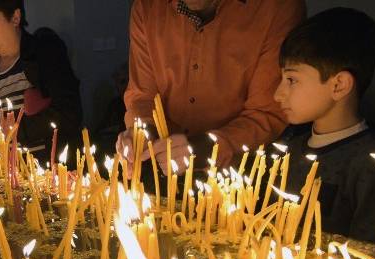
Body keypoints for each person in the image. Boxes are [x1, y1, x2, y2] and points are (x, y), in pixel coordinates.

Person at [117, 0, 304, 175]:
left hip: (242, 174)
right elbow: (142, 97)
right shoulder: (148, 7)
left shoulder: (275, 8)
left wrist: (211, 148)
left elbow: (267, 112)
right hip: (161, 172)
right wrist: (143, 132)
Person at [273, 7, 375, 243]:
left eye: (291, 80)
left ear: (339, 85)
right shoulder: (289, 149)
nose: (277, 94)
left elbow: (369, 251)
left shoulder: (373, 166)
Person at [0, 0, 82, 156]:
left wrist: (13, 128)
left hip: (49, 165)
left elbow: (69, 114)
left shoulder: (44, 53)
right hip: (2, 169)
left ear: (15, 17)